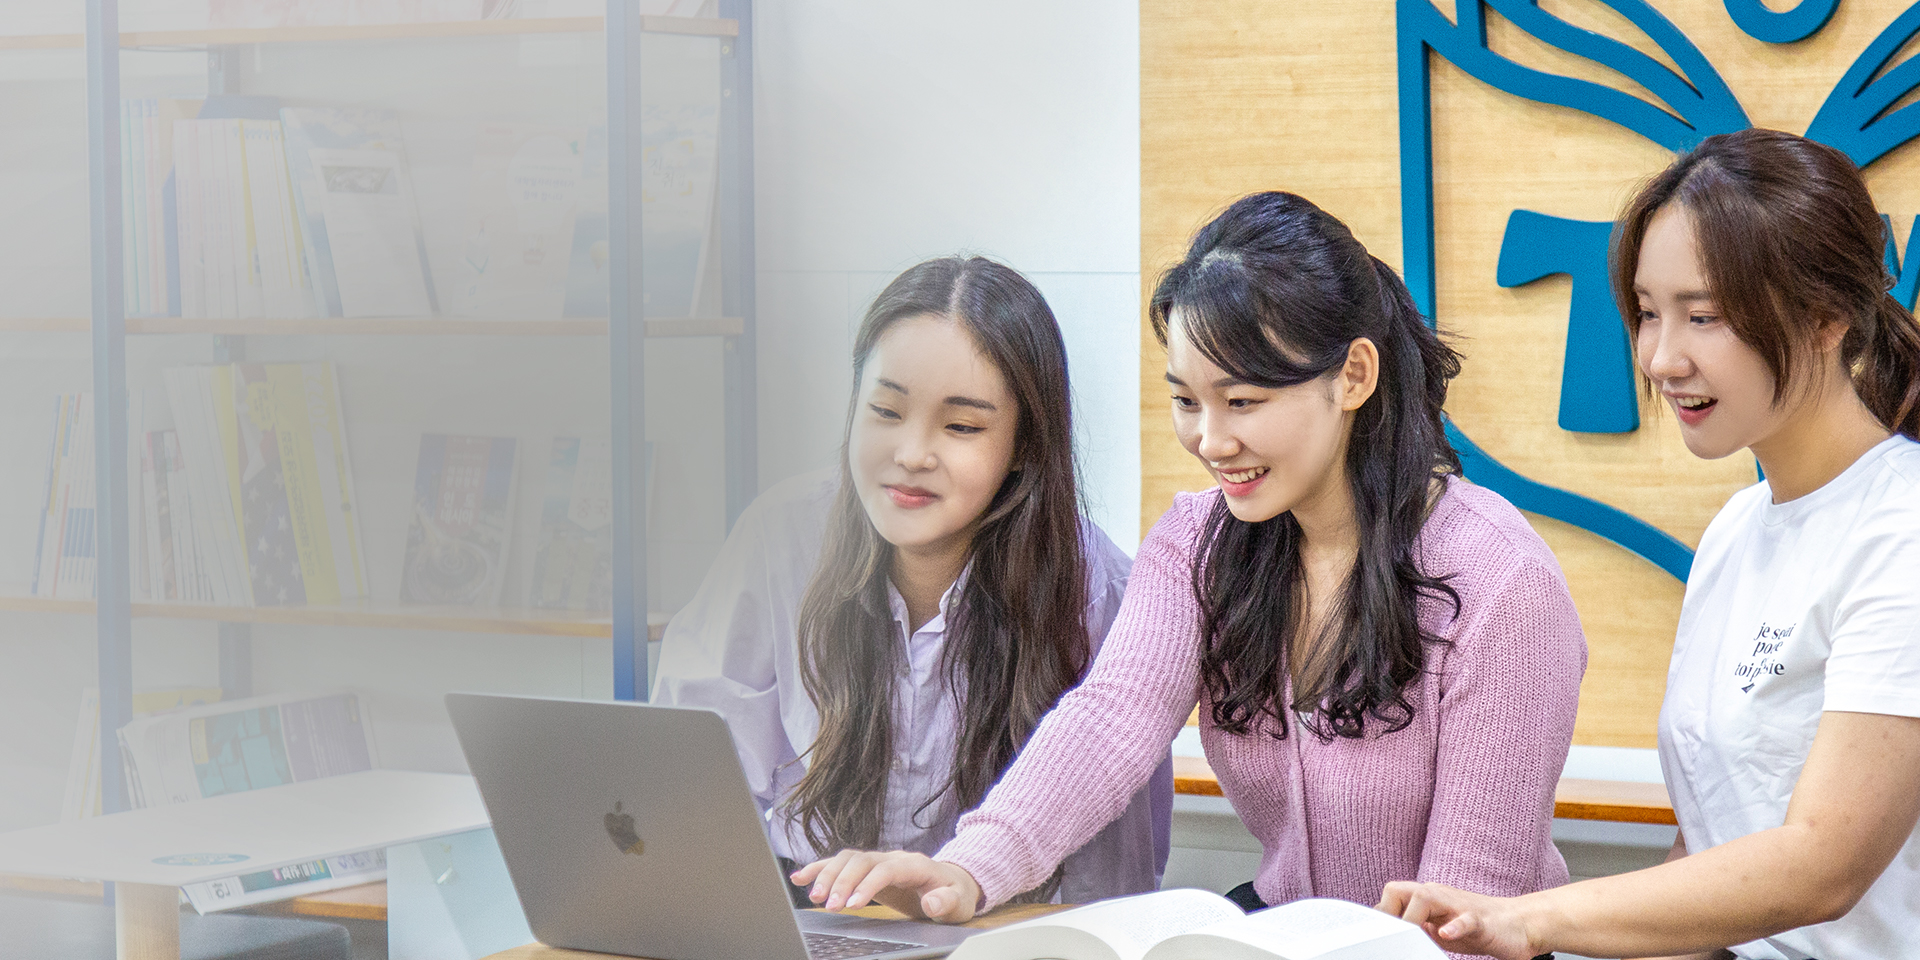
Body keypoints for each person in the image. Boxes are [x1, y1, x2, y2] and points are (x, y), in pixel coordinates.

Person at [794, 192, 1588, 923]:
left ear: (1353, 375)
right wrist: (967, 870)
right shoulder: (1197, 540)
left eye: (1242, 401)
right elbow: (1112, 718)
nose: (1211, 441)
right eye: (1186, 399)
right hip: (1278, 936)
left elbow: (1469, 906)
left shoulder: (1500, 582)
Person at [1379, 128, 1920, 959]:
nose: (1662, 357)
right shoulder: (1738, 529)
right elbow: (1710, 846)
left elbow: (1824, 865)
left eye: (1703, 316)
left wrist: (1533, 918)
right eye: (1646, 313)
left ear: (1824, 319)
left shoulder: (1901, 526)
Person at [652, 256, 1171, 906]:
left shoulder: (1099, 593)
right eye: (886, 411)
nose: (911, 453)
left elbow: (1109, 889)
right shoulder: (778, 542)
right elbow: (690, 792)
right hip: (804, 920)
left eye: (961, 427)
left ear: (1024, 448)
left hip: (1002, 937)